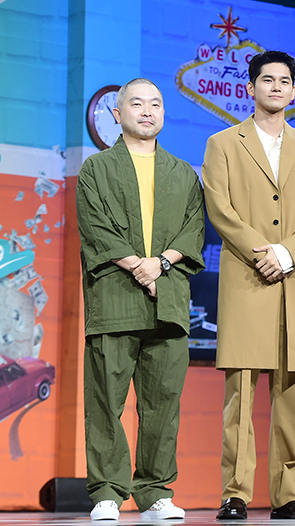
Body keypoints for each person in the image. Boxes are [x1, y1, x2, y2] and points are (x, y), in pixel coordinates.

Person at [202, 51, 295, 521]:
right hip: (247, 276)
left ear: (294, 91)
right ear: (251, 88)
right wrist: (264, 252)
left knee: (291, 391)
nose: (276, 87)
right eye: (267, 80)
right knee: (240, 391)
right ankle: (235, 493)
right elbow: (219, 208)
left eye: (284, 81)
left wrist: (287, 253)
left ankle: (288, 494)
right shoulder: (222, 143)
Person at [76, 78, 205, 521]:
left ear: (164, 113)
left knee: (163, 404)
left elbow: (193, 230)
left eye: (155, 104)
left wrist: (160, 264)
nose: (147, 111)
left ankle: (155, 493)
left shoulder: (183, 172)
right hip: (115, 299)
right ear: (118, 114)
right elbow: (96, 227)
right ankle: (107, 493)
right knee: (105, 401)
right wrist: (139, 266)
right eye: (136, 103)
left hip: (169, 301)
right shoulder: (96, 168)